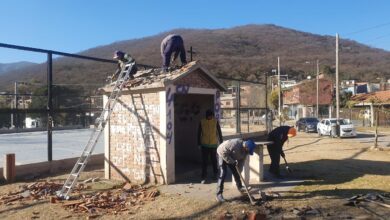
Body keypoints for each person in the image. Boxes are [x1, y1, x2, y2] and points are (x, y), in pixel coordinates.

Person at [197, 109, 223, 184]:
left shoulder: (215, 121)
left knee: (214, 160)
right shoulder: (202, 122)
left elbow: (219, 132)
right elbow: (198, 133)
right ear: (206, 116)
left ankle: (215, 174)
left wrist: (221, 142)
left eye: (211, 116)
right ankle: (203, 176)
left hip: (213, 145)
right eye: (209, 116)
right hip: (204, 145)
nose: (210, 117)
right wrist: (198, 143)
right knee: (204, 161)